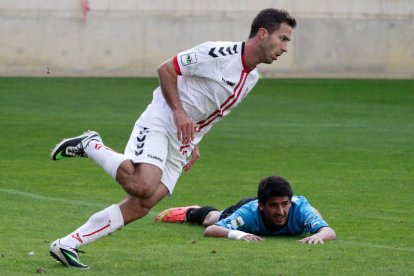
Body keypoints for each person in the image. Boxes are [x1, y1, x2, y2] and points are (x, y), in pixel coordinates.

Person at [48, 9, 297, 269]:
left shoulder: (252, 77)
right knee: (143, 185)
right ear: (262, 33)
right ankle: (91, 144)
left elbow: (209, 107)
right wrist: (179, 113)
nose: (286, 47)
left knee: (143, 204)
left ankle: (68, 244)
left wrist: (195, 141)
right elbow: (167, 69)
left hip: (183, 139)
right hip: (162, 119)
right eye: (283, 39)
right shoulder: (218, 53)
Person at [156, 176, 336, 243]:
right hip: (244, 206)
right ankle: (191, 212)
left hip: (305, 209)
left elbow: (329, 232)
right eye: (274, 205)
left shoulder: (299, 209)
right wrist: (239, 234)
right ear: (262, 205)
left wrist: (318, 235)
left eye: (284, 204)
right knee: (211, 219)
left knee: (311, 211)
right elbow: (212, 230)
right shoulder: (249, 213)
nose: (281, 211)